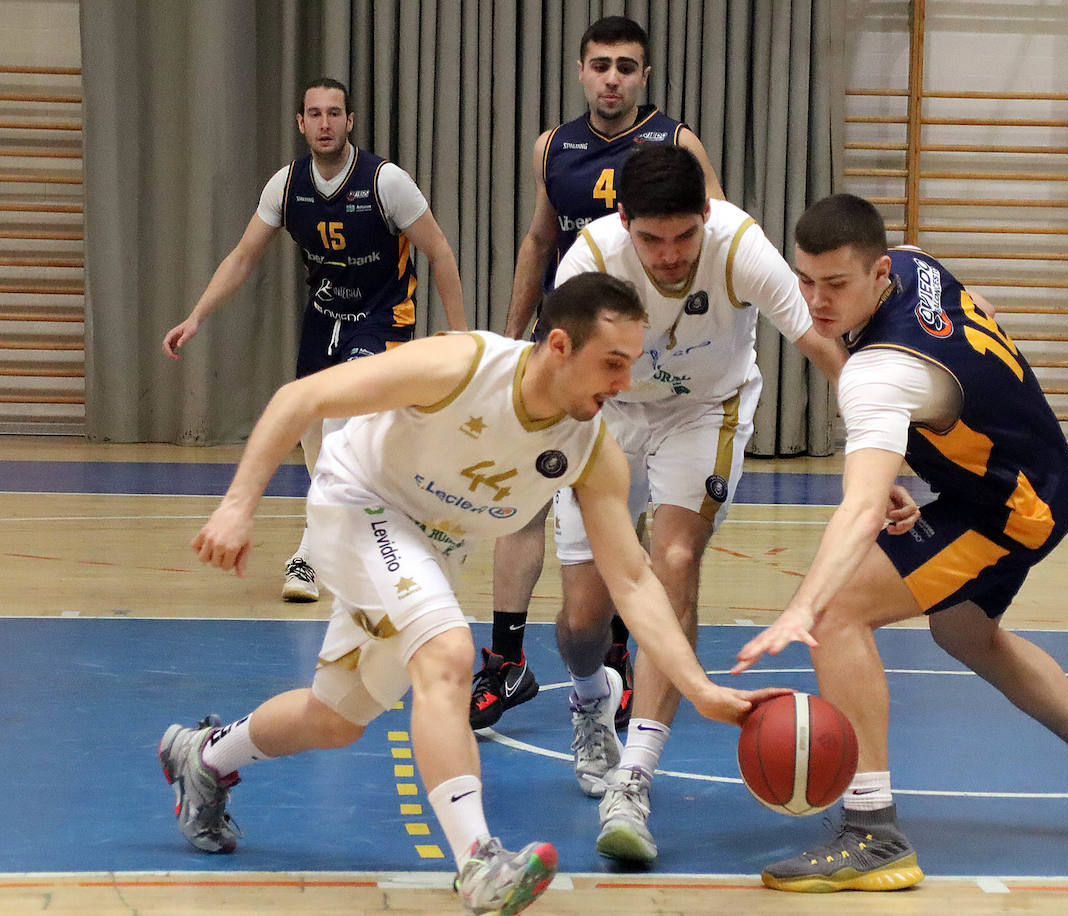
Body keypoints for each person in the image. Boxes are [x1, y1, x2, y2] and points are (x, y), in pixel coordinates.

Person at [158, 272, 785, 916]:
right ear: (560, 346)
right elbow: (300, 398)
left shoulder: (591, 448)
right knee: (448, 655)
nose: (626, 384)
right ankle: (480, 863)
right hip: (359, 505)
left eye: (632, 365)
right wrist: (239, 506)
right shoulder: (461, 365)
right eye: (613, 363)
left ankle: (204, 757)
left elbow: (631, 580)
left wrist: (701, 690)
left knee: (336, 719)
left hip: (431, 549)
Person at [734, 194, 1068, 893]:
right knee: (964, 632)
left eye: (837, 285)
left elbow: (857, 503)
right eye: (805, 281)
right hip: (1032, 475)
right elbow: (972, 345)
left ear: (877, 274)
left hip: (1008, 506)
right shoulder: (915, 265)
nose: (817, 303)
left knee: (835, 613)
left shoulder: (883, 371)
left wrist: (804, 606)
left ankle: (871, 832)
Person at [548, 144, 850, 865]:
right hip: (606, 413)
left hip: (704, 412)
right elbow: (552, 372)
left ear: (705, 217)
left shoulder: (741, 247)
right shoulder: (589, 259)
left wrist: (883, 445)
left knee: (674, 558)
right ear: (624, 223)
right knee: (583, 621)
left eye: (684, 236)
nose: (670, 255)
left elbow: (819, 343)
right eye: (652, 239)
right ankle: (592, 694)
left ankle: (635, 779)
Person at [473, 15, 726, 732]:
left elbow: (715, 237)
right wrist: (513, 335)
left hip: (650, 369)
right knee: (520, 499)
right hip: (566, 362)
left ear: (644, 75)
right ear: (581, 71)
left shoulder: (676, 145)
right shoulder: (553, 148)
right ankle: (506, 661)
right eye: (600, 65)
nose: (612, 77)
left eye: (626, 66)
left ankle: (615, 654)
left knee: (628, 516)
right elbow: (538, 238)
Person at [162, 77, 465, 604]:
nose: (325, 123)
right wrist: (196, 316)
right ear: (301, 123)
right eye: (314, 114)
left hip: (381, 317)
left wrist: (460, 336)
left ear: (349, 122)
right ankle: (379, 526)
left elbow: (438, 250)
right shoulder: (286, 184)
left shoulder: (385, 181)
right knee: (315, 436)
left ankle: (309, 554)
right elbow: (242, 256)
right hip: (326, 316)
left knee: (344, 425)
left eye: (334, 113)